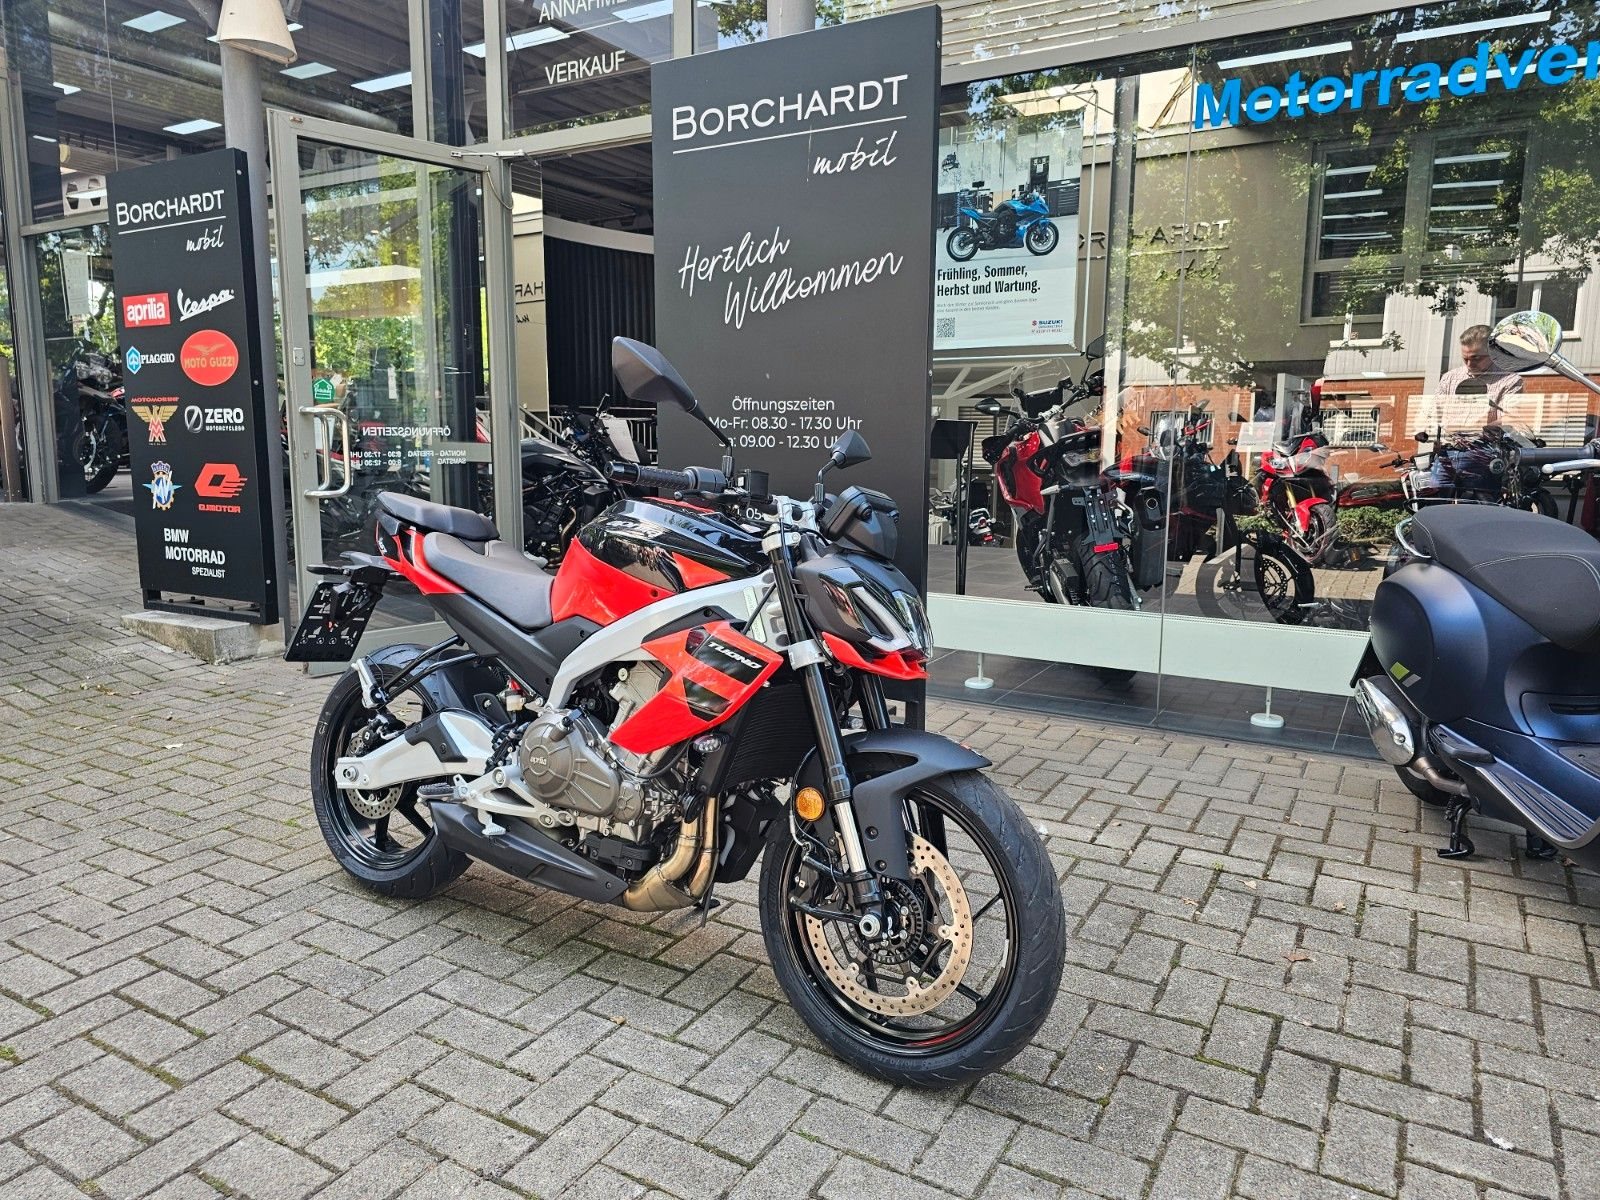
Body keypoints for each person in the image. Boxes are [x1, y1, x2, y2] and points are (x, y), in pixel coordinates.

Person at [1438, 323, 1523, 418]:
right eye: (1465, 359)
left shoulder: (1510, 381)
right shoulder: (1449, 378)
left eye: (1476, 358)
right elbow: (1433, 415)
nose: (1469, 364)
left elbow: (1509, 418)